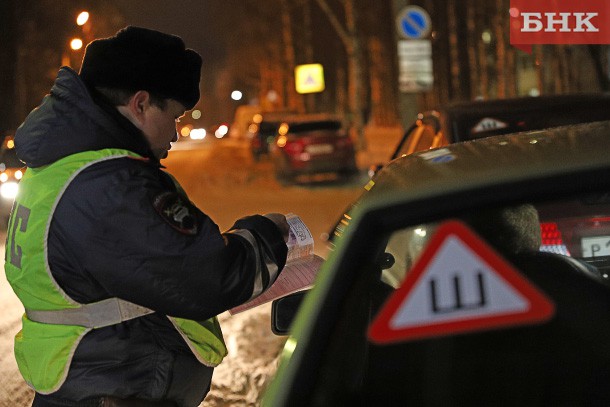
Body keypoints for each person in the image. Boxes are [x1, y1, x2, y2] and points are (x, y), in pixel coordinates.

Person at [4, 26, 289, 407]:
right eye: (173, 116)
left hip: (92, 384)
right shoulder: (109, 184)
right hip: (115, 389)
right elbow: (205, 276)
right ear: (140, 104)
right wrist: (268, 234)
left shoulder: (65, 168)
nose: (175, 133)